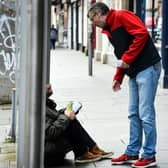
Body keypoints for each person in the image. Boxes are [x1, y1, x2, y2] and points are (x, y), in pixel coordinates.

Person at [87, 2, 161, 168]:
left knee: (145, 113)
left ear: (99, 14)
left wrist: (127, 59)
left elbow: (142, 33)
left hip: (148, 66)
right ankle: (133, 151)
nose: (94, 24)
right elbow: (121, 53)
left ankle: (149, 155)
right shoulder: (109, 29)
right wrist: (118, 77)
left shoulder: (121, 16)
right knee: (133, 113)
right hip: (135, 71)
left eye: (93, 20)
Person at [45, 84, 114, 167]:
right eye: (45, 83)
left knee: (70, 119)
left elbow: (53, 119)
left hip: (49, 146)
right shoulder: (37, 107)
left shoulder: (43, 103)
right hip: (47, 152)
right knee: (70, 122)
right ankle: (82, 153)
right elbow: (51, 132)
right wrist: (66, 117)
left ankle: (92, 148)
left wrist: (66, 112)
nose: (49, 85)